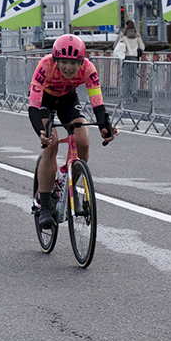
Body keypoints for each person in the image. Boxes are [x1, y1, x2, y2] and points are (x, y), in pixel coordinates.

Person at [28, 34, 115, 229]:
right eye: (64, 62)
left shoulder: (88, 69)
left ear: (81, 62)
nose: (69, 67)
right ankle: (44, 207)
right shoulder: (45, 66)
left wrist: (104, 127)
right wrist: (41, 132)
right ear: (56, 60)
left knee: (83, 140)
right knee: (51, 145)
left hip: (68, 100)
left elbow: (97, 103)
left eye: (74, 63)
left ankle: (68, 186)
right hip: (45, 102)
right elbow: (33, 106)